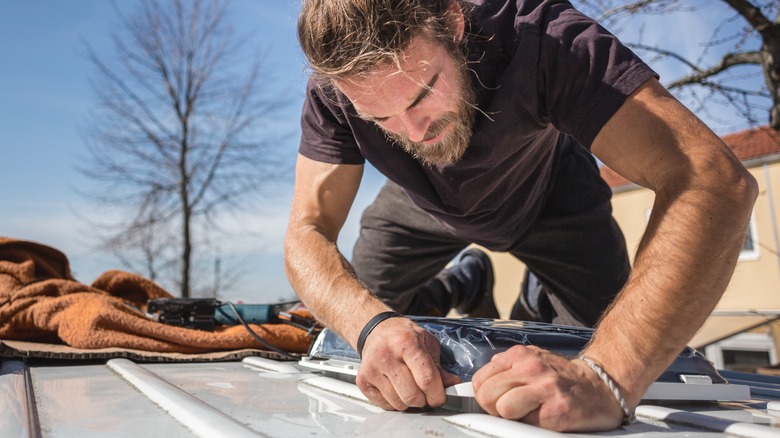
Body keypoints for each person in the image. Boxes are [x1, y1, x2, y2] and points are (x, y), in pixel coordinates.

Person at [284, 0, 758, 432]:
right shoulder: (334, 91)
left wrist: (607, 376)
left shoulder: (543, 35)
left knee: (608, 342)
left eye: (421, 93)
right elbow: (306, 229)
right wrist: (371, 326)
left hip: (549, 194)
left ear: (454, 22)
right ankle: (460, 285)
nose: (412, 131)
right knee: (350, 338)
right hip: (419, 202)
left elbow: (711, 179)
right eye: (379, 118)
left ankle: (537, 296)